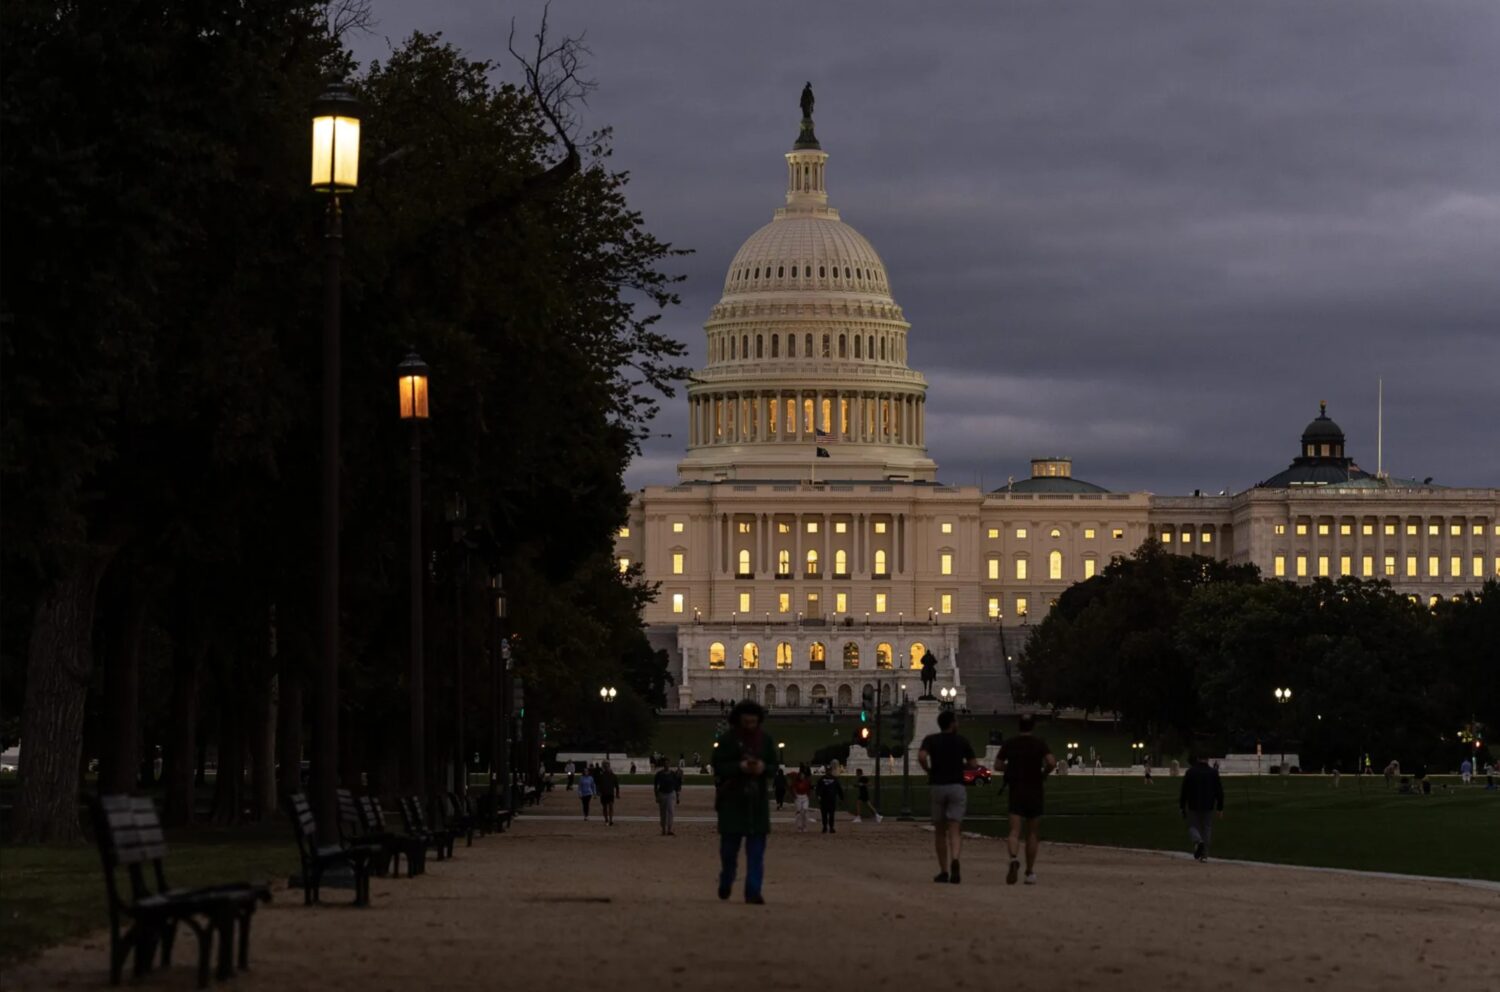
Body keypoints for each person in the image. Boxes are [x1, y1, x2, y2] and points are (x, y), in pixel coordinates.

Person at [712, 700, 779, 904]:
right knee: (729, 853)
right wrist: (739, 767)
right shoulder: (727, 740)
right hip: (733, 801)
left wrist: (762, 768)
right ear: (738, 721)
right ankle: (727, 879)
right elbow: (718, 765)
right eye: (746, 722)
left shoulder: (765, 741)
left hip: (756, 802)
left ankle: (753, 891)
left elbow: (773, 766)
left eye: (754, 722)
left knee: (756, 853)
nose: (750, 725)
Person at [918, 708, 978, 883]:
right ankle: (955, 859)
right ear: (952, 724)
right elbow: (974, 765)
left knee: (939, 830)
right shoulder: (962, 741)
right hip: (956, 785)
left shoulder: (931, 740)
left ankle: (943, 870)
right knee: (955, 828)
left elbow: (921, 756)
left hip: (938, 785)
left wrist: (928, 770)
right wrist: (961, 767)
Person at [997, 713, 1057, 885]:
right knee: (1032, 833)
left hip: (1016, 789)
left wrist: (1011, 768)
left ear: (1019, 726)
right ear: (1033, 726)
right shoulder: (1039, 743)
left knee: (1014, 831)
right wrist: (1043, 773)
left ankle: (1014, 857)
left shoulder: (1010, 743)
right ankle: (1029, 872)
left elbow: (998, 765)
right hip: (1035, 789)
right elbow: (1052, 762)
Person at [1179, 753, 1225, 861]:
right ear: (1208, 759)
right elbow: (1219, 791)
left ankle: (1198, 841)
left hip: (1193, 803)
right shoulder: (1213, 772)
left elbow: (1184, 791)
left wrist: (1182, 806)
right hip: (1208, 804)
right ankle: (1204, 855)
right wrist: (1220, 807)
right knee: (1207, 828)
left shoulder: (1190, 772)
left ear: (1197, 758)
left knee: (1192, 826)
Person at [654, 758, 681, 836]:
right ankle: (663, 829)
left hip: (670, 793)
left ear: (669, 765)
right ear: (663, 765)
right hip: (662, 794)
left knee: (671, 812)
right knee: (663, 812)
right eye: (665, 764)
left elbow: (676, 785)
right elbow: (655, 786)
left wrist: (678, 796)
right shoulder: (659, 774)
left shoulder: (672, 774)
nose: (666, 765)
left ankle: (669, 828)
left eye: (668, 764)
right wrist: (656, 796)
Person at [815, 766, 844, 834]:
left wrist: (841, 797)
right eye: (827, 770)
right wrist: (818, 795)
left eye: (829, 770)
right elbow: (818, 788)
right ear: (826, 771)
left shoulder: (835, 779)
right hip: (824, 799)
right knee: (824, 814)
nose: (828, 772)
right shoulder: (821, 779)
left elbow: (839, 789)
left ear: (831, 771)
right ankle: (824, 826)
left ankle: (831, 827)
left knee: (831, 815)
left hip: (832, 799)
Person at [790, 763, 814, 832]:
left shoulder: (807, 782)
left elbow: (809, 789)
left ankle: (805, 826)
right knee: (799, 812)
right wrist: (795, 796)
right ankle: (799, 826)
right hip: (798, 797)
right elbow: (793, 789)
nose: (802, 777)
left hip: (805, 797)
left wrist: (808, 796)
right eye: (801, 775)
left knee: (805, 811)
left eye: (803, 775)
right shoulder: (796, 782)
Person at [597, 761, 620, 826]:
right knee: (604, 807)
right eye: (605, 766)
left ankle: (611, 820)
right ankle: (606, 819)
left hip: (610, 793)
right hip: (604, 793)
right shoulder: (601, 775)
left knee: (611, 806)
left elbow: (617, 785)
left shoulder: (613, 776)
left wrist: (617, 793)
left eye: (607, 766)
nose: (606, 767)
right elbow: (599, 784)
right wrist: (598, 791)